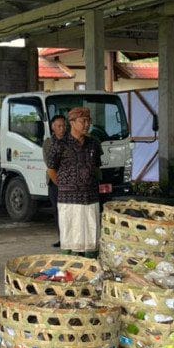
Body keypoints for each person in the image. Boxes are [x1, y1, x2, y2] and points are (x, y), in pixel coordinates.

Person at [50, 107, 102, 258]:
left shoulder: (94, 144)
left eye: (88, 121)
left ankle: (91, 267)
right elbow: (51, 169)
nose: (87, 124)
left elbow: (97, 167)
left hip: (90, 199)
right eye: (83, 121)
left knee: (91, 237)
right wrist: (65, 185)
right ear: (72, 122)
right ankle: (71, 267)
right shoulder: (60, 144)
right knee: (71, 237)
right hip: (68, 201)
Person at [42, 114, 67, 248]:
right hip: (54, 181)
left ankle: (70, 238)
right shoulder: (48, 143)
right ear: (53, 127)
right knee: (58, 211)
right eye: (59, 126)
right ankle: (61, 238)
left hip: (70, 181)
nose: (62, 129)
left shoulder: (70, 140)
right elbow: (49, 164)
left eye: (63, 126)